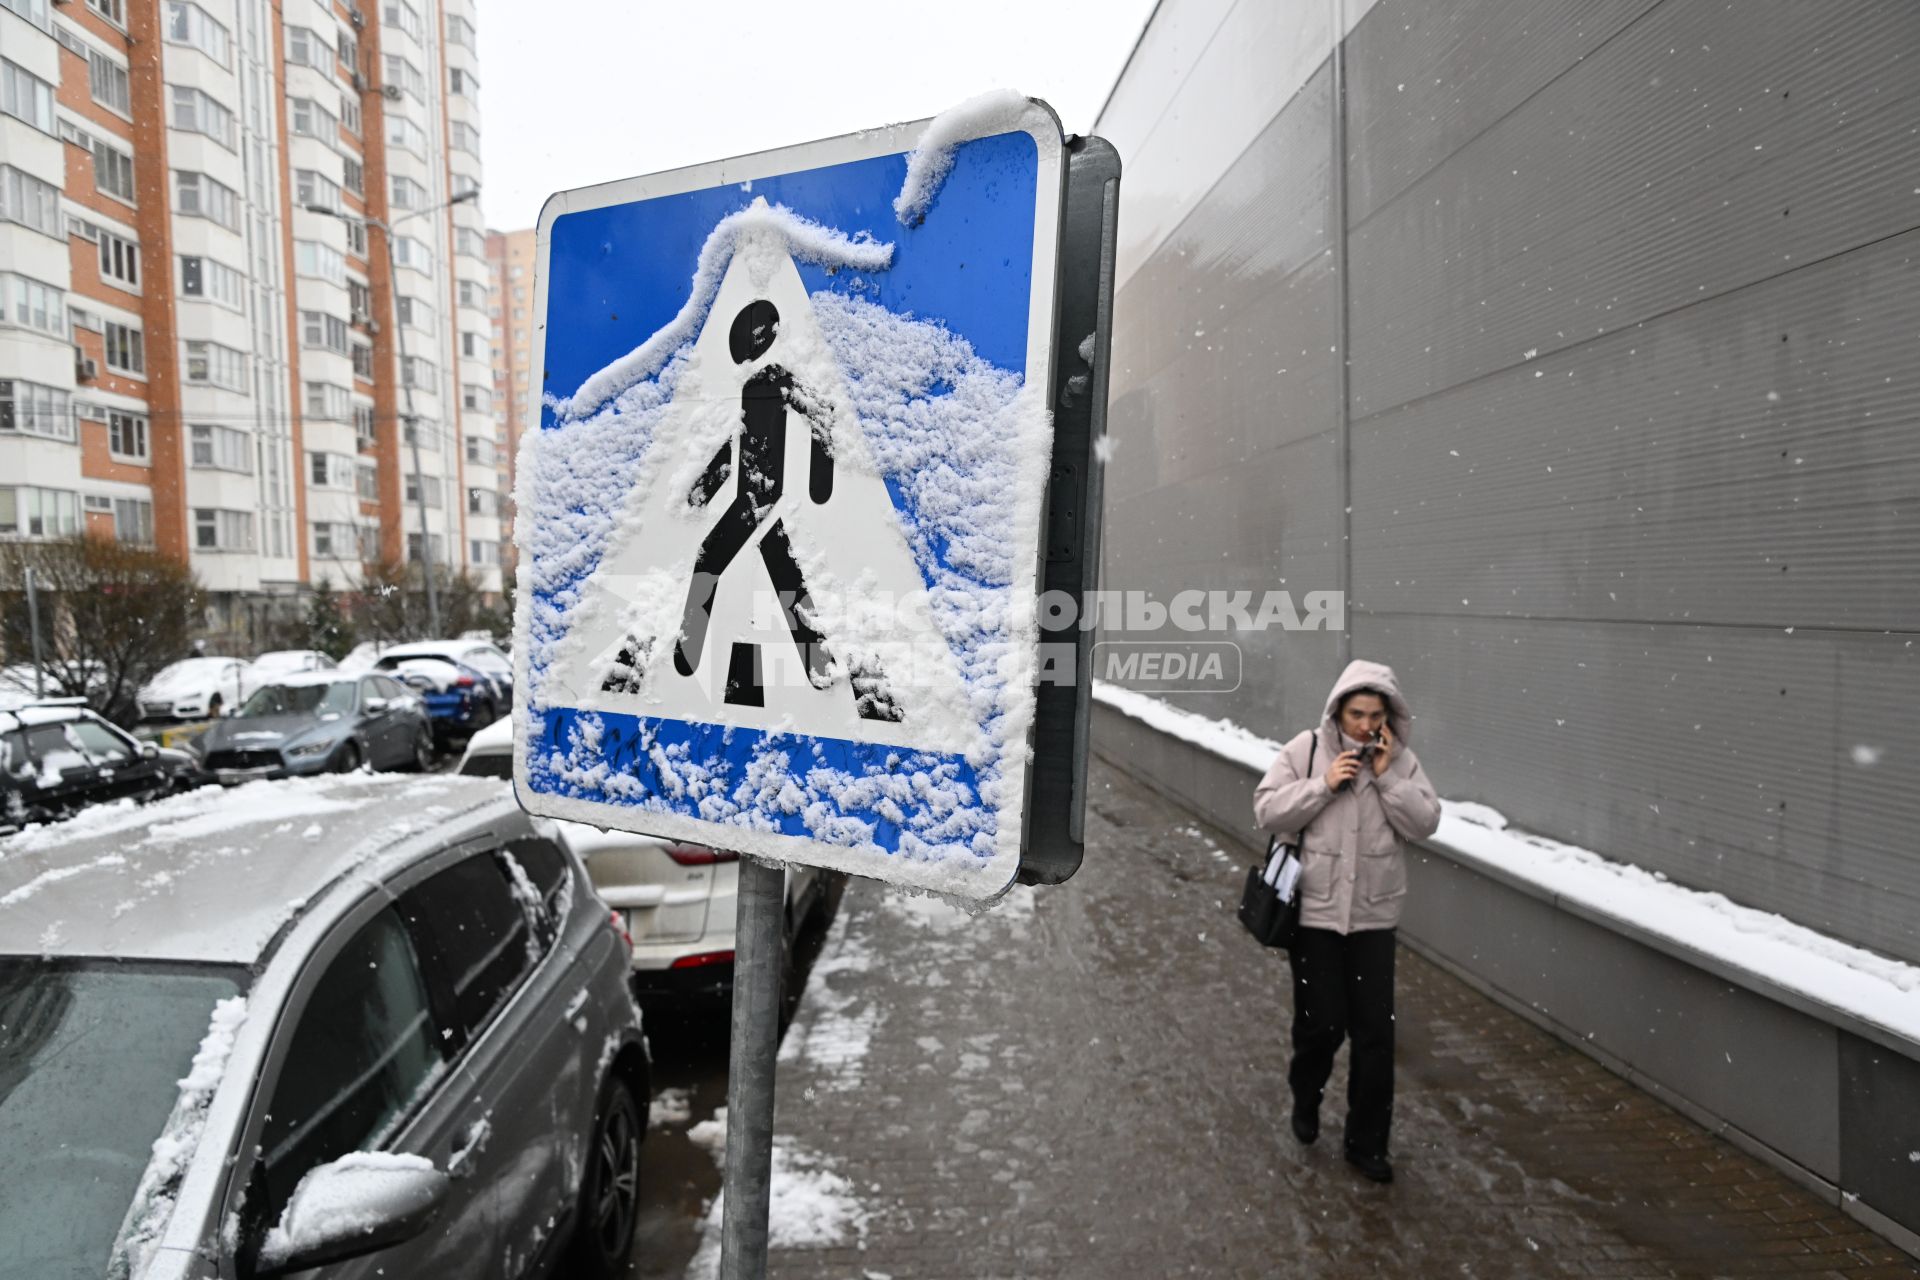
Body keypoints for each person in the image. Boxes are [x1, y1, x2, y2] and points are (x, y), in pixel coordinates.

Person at [1253, 659, 1441, 1184]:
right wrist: (1322, 786)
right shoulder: (1306, 751)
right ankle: (1306, 1099)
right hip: (1314, 916)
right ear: (1338, 711)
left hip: (1374, 921)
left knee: (1376, 1037)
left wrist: (1385, 781)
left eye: (1375, 714)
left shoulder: (1399, 763)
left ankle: (1367, 1144)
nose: (1365, 725)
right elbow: (1267, 810)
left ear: (1388, 717)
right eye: (1357, 713)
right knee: (1322, 1026)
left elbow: (1426, 822)